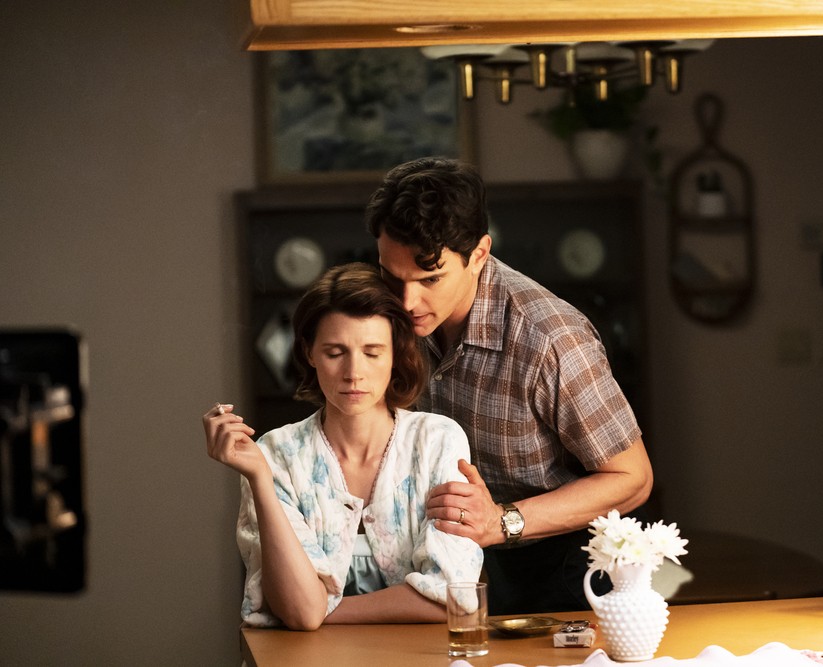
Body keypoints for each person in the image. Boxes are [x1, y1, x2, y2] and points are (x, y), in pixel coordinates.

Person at [364, 157, 654, 614]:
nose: (406, 301)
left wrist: (502, 521)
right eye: (392, 276)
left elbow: (632, 478)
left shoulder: (552, 339)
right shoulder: (385, 313)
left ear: (479, 254)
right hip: (439, 562)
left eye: (430, 278)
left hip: (561, 569)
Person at [202, 262, 482, 630]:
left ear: (396, 354)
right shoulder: (275, 455)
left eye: (372, 352)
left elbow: (452, 597)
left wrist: (324, 610)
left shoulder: (437, 441)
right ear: (309, 353)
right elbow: (301, 613)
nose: (353, 373)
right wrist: (259, 478)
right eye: (335, 353)